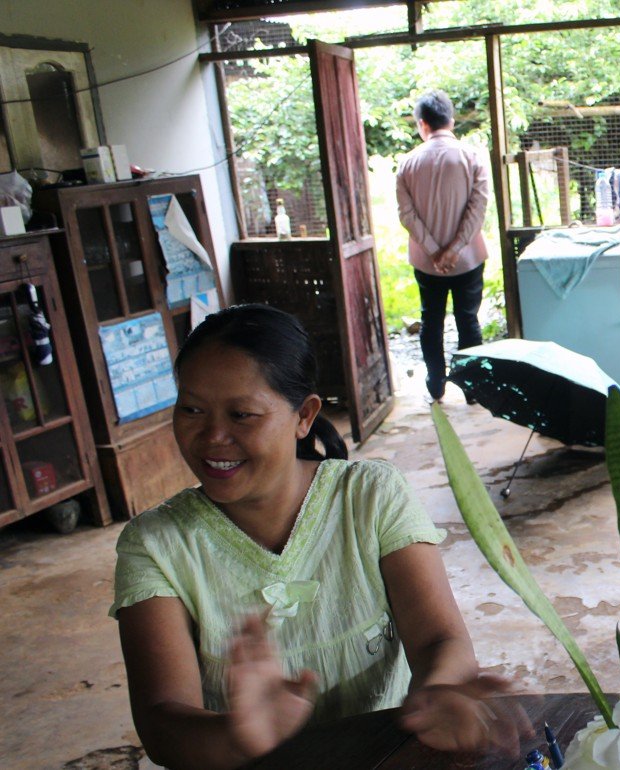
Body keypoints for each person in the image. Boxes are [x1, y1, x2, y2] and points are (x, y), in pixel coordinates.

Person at [110, 304, 525, 769]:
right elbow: (162, 721)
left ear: (304, 416)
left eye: (242, 414)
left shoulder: (369, 497)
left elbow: (439, 640)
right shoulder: (156, 545)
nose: (212, 436)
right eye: (191, 409)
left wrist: (438, 693)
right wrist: (239, 738)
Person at [396, 89, 492, 403]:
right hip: (468, 260)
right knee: (468, 320)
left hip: (427, 263)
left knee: (431, 320)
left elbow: (406, 214)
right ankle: (472, 389)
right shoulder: (472, 156)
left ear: (422, 123)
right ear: (451, 120)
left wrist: (434, 249)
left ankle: (435, 385)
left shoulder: (407, 163)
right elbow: (478, 207)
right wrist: (455, 248)